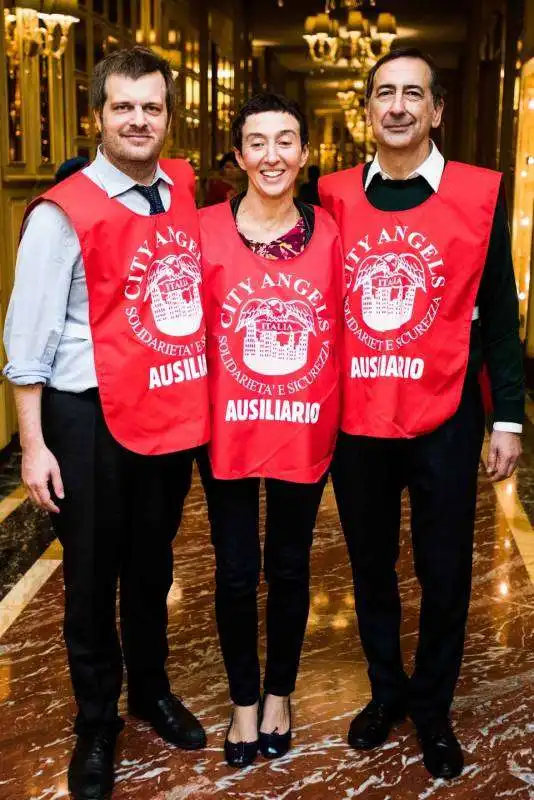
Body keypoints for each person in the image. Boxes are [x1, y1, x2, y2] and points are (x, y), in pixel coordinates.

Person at [3, 47, 210, 800]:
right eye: (122, 106)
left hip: (164, 410)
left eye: (151, 107)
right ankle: (96, 723)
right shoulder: (64, 211)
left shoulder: (182, 193)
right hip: (85, 417)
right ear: (98, 116)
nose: (137, 120)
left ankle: (150, 690)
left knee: (152, 565)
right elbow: (26, 345)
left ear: (168, 117)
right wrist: (34, 446)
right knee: (91, 578)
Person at [319, 47, 524, 780]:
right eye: (384, 93)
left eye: (414, 94)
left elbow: (499, 312)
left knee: (445, 571)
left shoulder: (477, 195)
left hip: (446, 414)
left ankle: (432, 709)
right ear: (368, 110)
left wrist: (510, 419)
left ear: (436, 110)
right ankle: (385, 694)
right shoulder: (333, 194)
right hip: (357, 417)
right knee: (370, 567)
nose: (398, 106)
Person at [199, 93, 343, 768]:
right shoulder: (201, 230)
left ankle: (281, 694)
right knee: (234, 572)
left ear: (305, 154)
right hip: (223, 429)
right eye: (257, 142)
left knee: (287, 565)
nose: (272, 156)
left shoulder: (333, 232)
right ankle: (243, 702)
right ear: (237, 155)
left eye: (286, 141)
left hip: (302, 427)